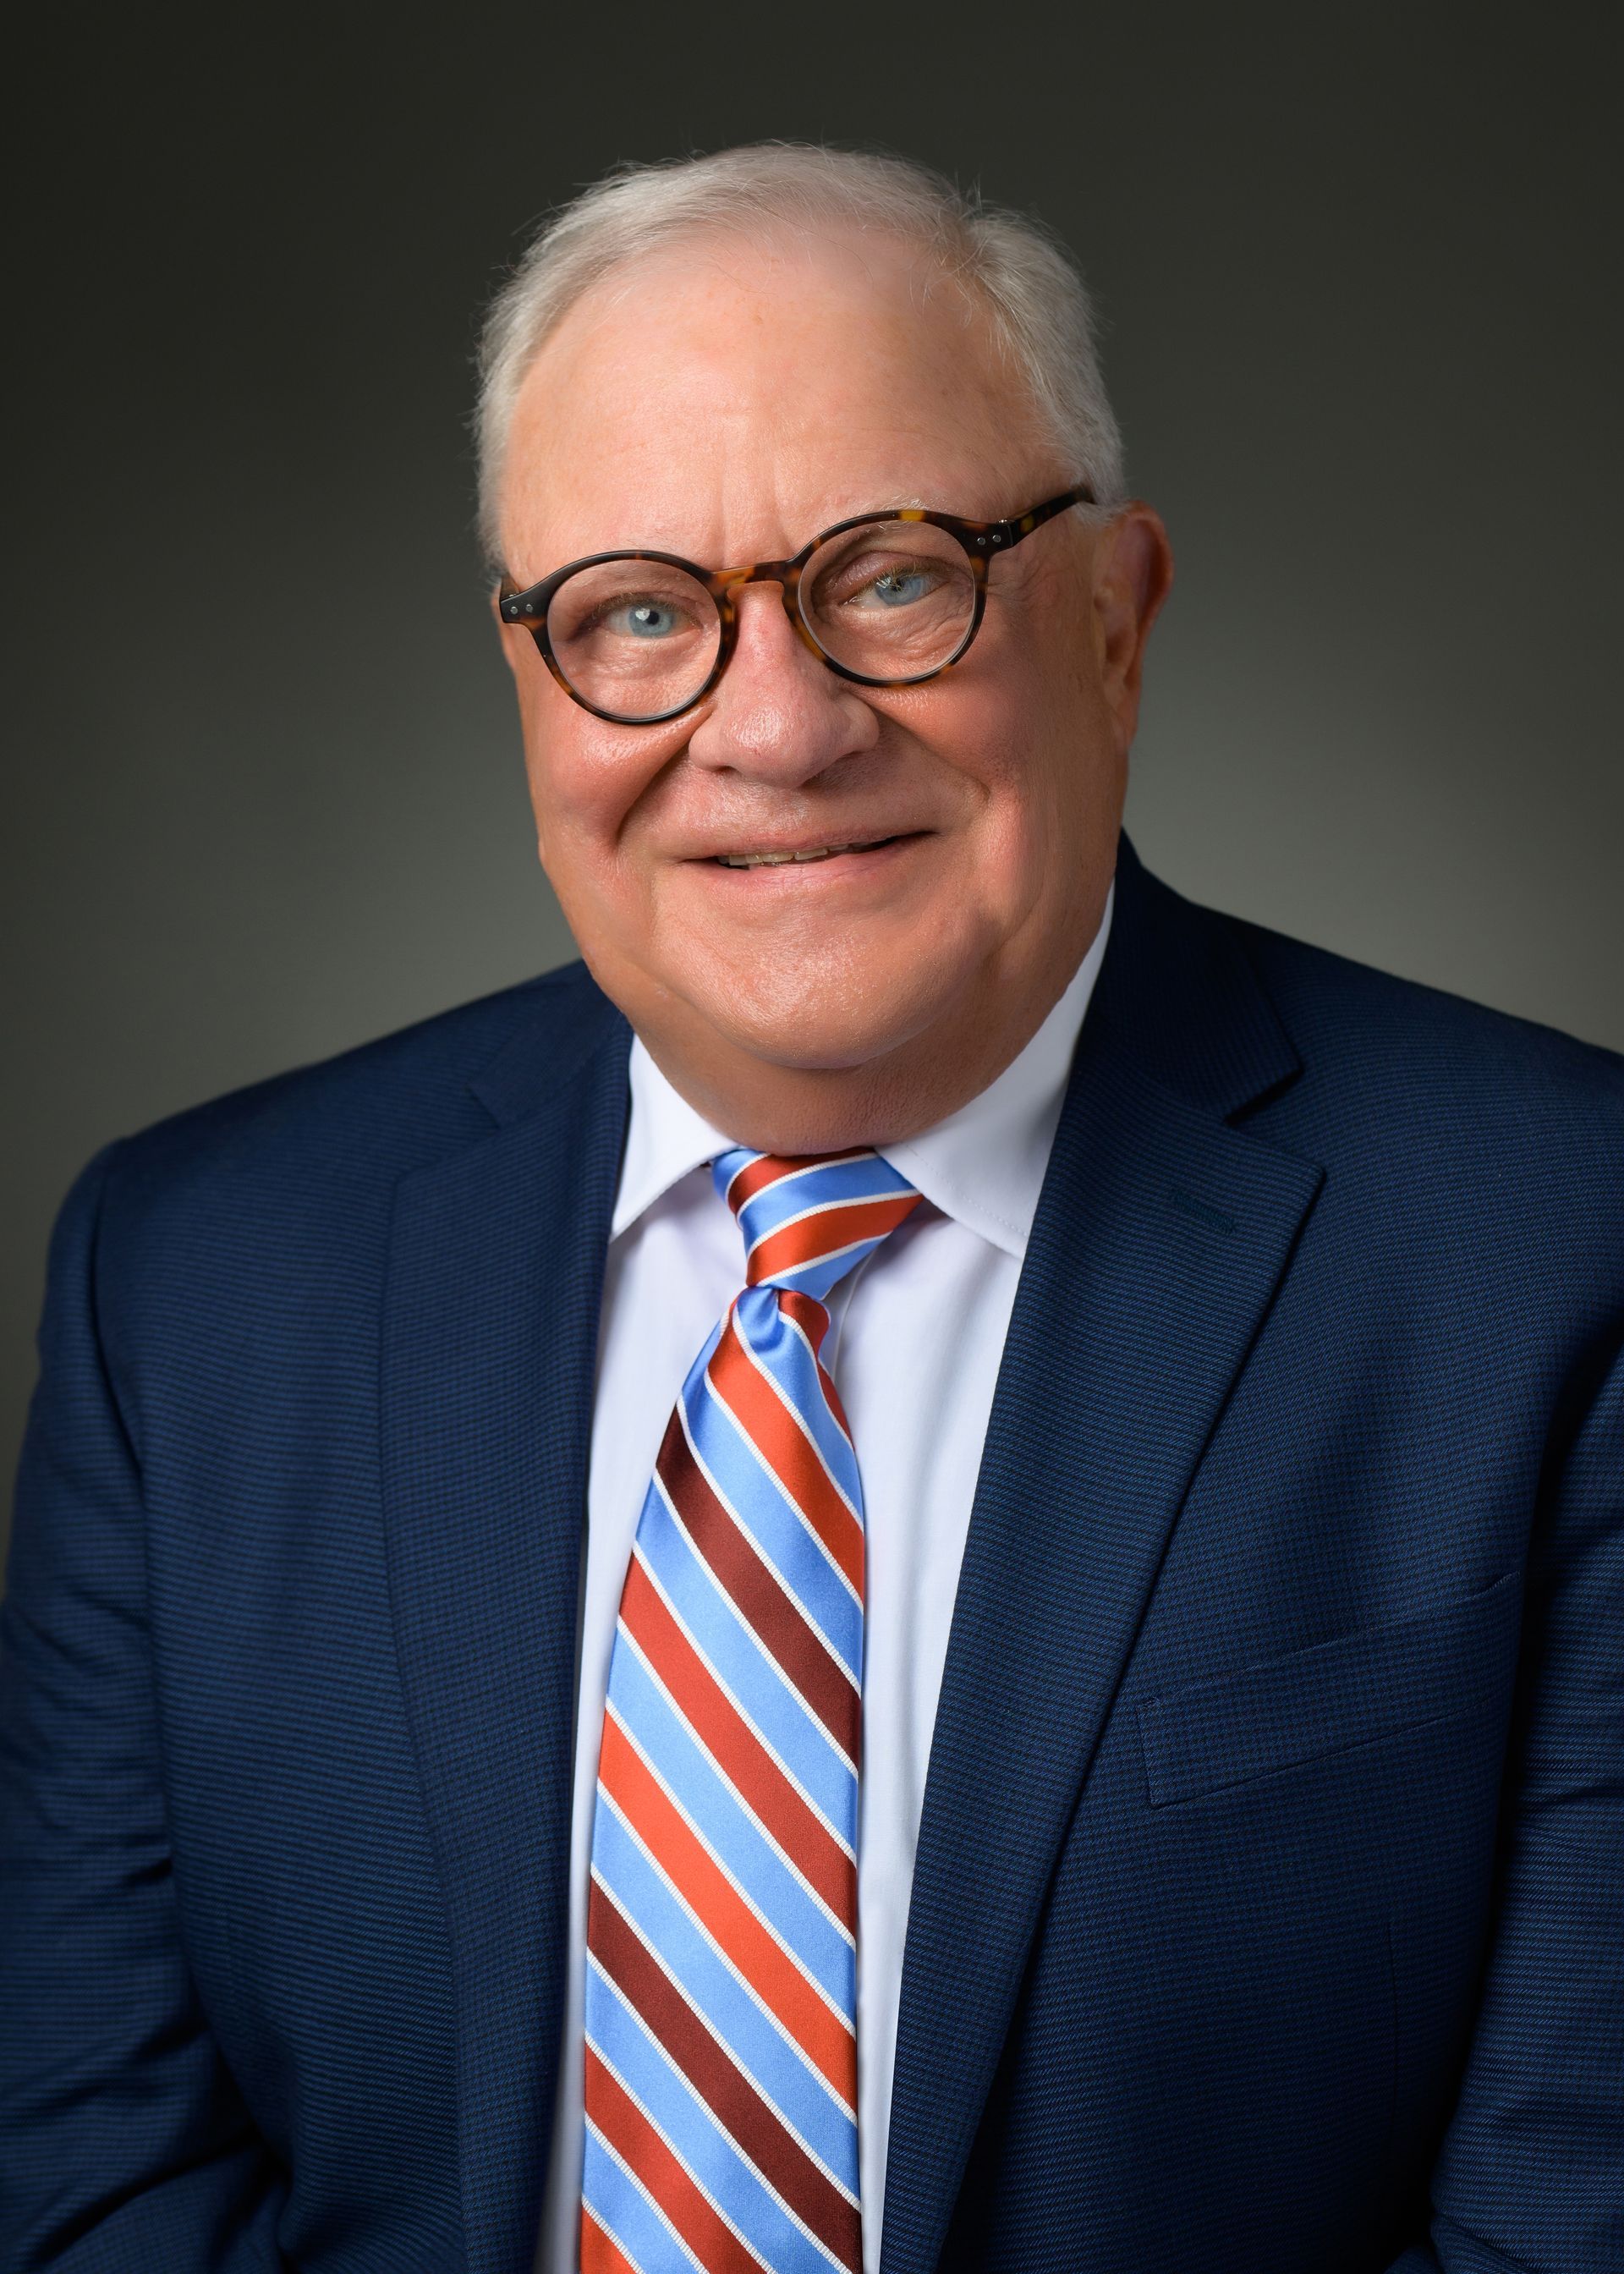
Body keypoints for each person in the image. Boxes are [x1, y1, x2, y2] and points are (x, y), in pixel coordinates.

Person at [2, 140, 1620, 2274]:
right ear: (529, 682)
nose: (772, 728)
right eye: (638, 614)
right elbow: (94, 2169)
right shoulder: (193, 1280)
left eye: (894, 576)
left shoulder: (1557, 1252)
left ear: (1113, 621)